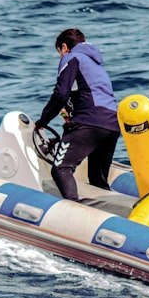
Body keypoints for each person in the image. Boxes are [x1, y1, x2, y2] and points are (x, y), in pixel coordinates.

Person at [34, 28, 120, 201]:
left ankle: (73, 213)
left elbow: (61, 94)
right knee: (97, 179)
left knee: (61, 168)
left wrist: (43, 121)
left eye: (59, 52)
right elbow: (86, 93)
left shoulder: (71, 57)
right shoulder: (95, 64)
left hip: (90, 122)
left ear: (64, 47)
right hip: (112, 125)